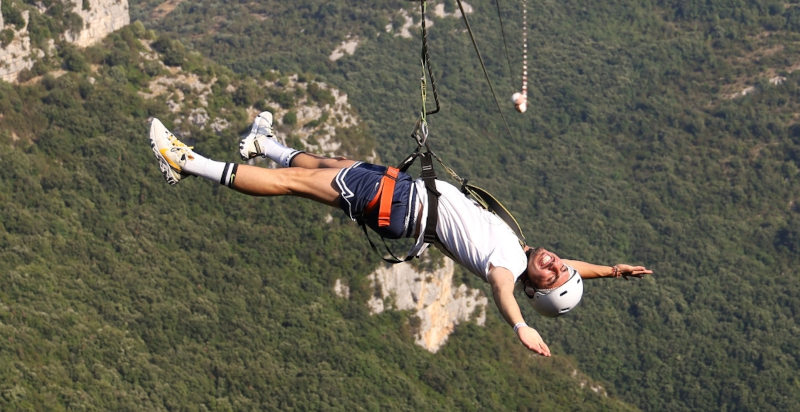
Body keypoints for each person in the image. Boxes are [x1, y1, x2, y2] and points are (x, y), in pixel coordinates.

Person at [149, 111, 653, 357]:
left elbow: (505, 294)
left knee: (295, 185)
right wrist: (609, 270)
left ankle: (187, 162)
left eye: (553, 272)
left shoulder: (508, 268)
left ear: (534, 287)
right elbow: (568, 274)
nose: (557, 261)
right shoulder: (524, 254)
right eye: (562, 263)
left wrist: (521, 326)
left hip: (402, 206)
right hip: (407, 197)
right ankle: (262, 143)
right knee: (333, 165)